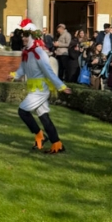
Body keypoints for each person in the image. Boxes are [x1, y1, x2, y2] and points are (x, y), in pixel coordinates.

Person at [11, 19, 72, 154]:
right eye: (23, 35)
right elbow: (22, 68)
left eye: (26, 35)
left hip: (40, 90)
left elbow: (48, 71)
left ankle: (40, 135)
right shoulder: (27, 52)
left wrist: (61, 86)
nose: (23, 38)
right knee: (44, 116)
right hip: (34, 88)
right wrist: (14, 75)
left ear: (33, 36)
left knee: (22, 111)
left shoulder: (39, 52)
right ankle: (57, 143)